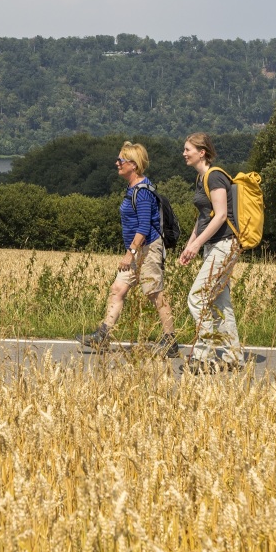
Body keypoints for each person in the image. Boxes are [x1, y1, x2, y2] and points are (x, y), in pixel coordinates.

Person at [77, 141, 179, 357]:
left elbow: (143, 228)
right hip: (138, 249)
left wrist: (129, 254)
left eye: (120, 160)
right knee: (118, 289)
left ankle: (171, 341)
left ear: (133, 165)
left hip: (147, 249)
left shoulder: (142, 192)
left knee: (154, 293)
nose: (117, 163)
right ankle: (102, 337)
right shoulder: (133, 189)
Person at [178, 133, 246, 373]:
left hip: (225, 244)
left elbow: (220, 215)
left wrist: (196, 246)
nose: (184, 153)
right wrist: (190, 245)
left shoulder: (215, 176)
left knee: (198, 297)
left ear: (202, 152)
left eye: (188, 149)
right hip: (215, 245)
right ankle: (234, 357)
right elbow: (203, 218)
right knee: (220, 302)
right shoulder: (202, 179)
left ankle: (202, 355)